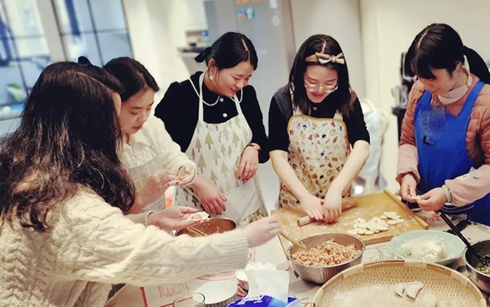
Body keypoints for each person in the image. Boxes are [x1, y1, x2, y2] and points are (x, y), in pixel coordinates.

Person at [0, 62, 279, 307]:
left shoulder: (30, 170)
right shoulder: (65, 205)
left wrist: (149, 220)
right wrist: (242, 240)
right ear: (86, 127)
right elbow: (151, 256)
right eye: (112, 120)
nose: (118, 131)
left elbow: (78, 243)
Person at [397, 24, 490, 226]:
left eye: (432, 78)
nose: (426, 85)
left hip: (468, 213)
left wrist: (448, 193)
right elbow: (409, 140)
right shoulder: (419, 91)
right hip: (422, 207)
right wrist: (407, 174)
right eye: (420, 77)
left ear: (457, 65)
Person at [155, 32, 269, 224]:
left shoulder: (246, 95)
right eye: (236, 77)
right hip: (198, 212)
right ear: (213, 65)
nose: (241, 85)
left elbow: (262, 140)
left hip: (248, 207)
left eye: (248, 78)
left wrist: (254, 148)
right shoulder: (181, 96)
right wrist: (198, 184)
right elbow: (161, 153)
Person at [269, 34, 370, 223]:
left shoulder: (347, 99)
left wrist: (337, 189)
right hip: (296, 203)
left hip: (337, 203)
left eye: (330, 83)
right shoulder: (283, 100)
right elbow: (277, 155)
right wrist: (304, 197)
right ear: (300, 72)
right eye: (312, 82)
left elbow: (362, 145)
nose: (320, 90)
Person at [103, 57, 219, 214]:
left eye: (149, 108)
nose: (143, 118)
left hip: (160, 223)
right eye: (134, 111)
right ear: (112, 104)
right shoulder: (99, 147)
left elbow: (172, 157)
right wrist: (144, 195)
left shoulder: (152, 126)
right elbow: (107, 215)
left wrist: (185, 169)